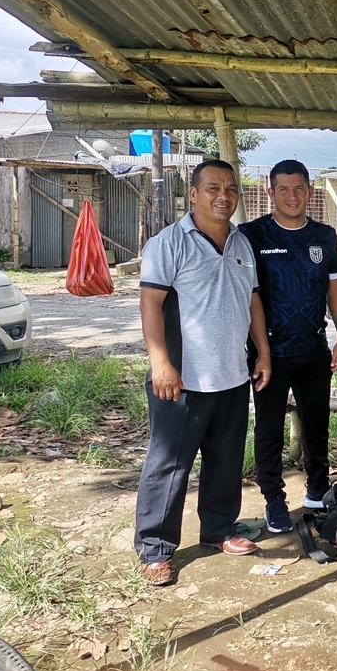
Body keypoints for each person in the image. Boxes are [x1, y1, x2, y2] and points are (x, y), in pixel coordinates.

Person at [134, 160, 272, 586]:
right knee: (169, 465)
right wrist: (161, 363)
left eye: (231, 188)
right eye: (213, 187)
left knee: (226, 460)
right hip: (182, 380)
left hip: (231, 375)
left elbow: (252, 300)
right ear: (193, 194)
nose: (223, 196)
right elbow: (150, 303)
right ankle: (155, 549)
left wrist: (263, 353)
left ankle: (218, 530)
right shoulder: (169, 243)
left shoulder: (242, 242)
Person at [241, 160, 337, 534]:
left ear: (310, 192)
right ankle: (274, 500)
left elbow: (335, 289)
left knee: (317, 425)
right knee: (268, 429)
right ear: (270, 192)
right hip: (268, 354)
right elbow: (249, 295)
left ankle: (318, 490)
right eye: (284, 189)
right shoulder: (252, 235)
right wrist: (262, 351)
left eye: (299, 188)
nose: (292, 196)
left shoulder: (325, 236)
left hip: (314, 349)